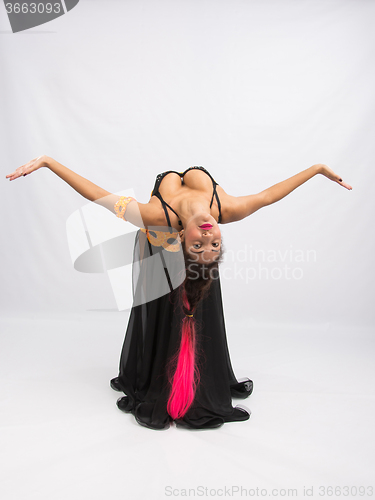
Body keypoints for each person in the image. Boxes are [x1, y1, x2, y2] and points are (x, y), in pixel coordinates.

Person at [6, 156, 352, 430]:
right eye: (214, 243)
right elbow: (269, 195)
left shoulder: (156, 215)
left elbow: (97, 195)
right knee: (189, 278)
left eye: (200, 243)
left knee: (161, 265)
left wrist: (49, 163)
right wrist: (317, 169)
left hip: (160, 239)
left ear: (181, 240)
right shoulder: (225, 209)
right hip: (174, 238)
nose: (208, 234)